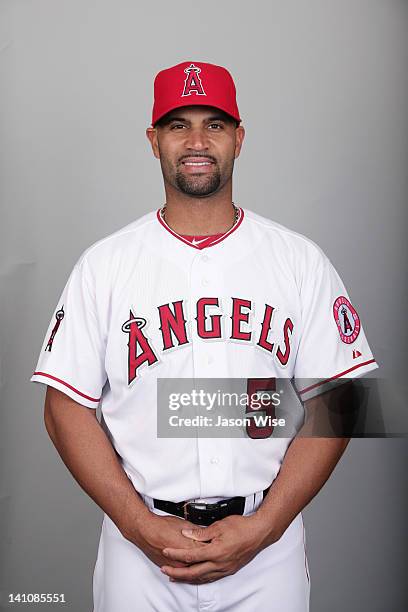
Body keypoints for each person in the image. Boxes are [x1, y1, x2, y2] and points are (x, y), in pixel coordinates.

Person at [31, 61, 378, 612]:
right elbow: (62, 410)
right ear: (153, 141)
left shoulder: (298, 260)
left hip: (267, 548)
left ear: (239, 138)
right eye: (177, 124)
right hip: (139, 548)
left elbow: (341, 401)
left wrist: (265, 527)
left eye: (214, 124)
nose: (196, 140)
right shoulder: (105, 265)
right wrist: (137, 524)